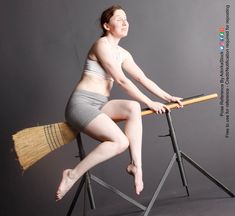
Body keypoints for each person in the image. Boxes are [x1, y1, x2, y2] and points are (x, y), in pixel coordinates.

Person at [55, 4, 183, 201]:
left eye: (126, 19)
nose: (125, 22)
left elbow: (143, 78)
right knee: (120, 141)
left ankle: (136, 166)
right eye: (119, 19)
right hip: (80, 105)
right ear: (107, 25)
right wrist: (150, 102)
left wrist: (168, 97)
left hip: (99, 104)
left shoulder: (123, 53)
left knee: (133, 107)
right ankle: (71, 174)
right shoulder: (102, 45)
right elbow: (122, 81)